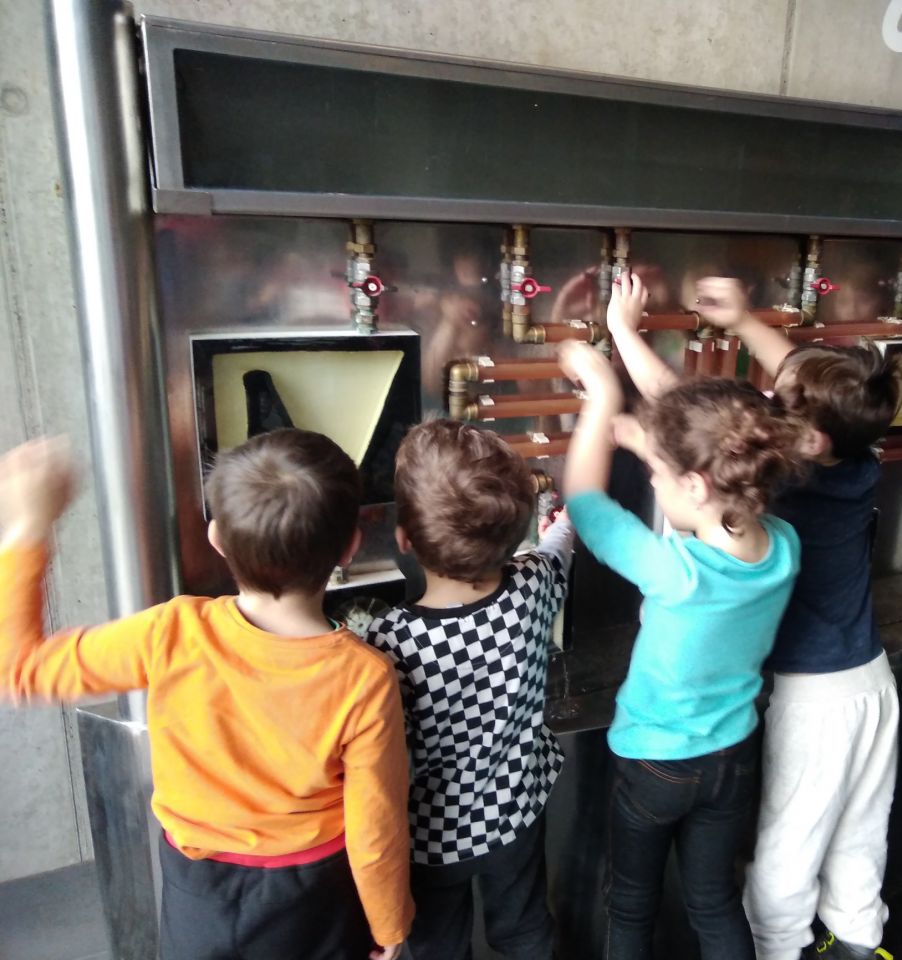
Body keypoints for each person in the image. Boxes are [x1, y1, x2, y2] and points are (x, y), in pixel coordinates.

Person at [0, 429, 412, 960]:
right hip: (314, 895)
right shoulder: (365, 676)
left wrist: (28, 528)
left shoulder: (170, 631)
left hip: (197, 888)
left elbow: (22, 667)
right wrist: (389, 923)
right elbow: (375, 826)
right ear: (351, 546)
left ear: (217, 538)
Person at [650, 276, 900, 960]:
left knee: (790, 843)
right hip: (872, 682)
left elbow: (687, 422)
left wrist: (618, 341)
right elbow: (804, 378)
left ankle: (776, 947)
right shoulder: (858, 458)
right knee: (858, 829)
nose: (766, 395)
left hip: (814, 701)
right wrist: (742, 321)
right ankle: (860, 940)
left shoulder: (789, 484)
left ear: (808, 441)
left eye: (777, 399)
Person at [557, 309, 803, 960]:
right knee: (714, 901)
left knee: (630, 905)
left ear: (694, 483)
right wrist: (650, 445)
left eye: (659, 476)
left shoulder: (676, 573)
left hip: (655, 765)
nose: (653, 481)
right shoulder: (783, 546)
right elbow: (716, 488)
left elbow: (584, 501)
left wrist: (601, 397)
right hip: (732, 756)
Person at [365, 419, 572, 960]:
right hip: (515, 812)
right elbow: (558, 548)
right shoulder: (532, 586)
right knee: (525, 931)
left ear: (404, 539)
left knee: (439, 946)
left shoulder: (389, 638)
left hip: (431, 836)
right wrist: (561, 524)